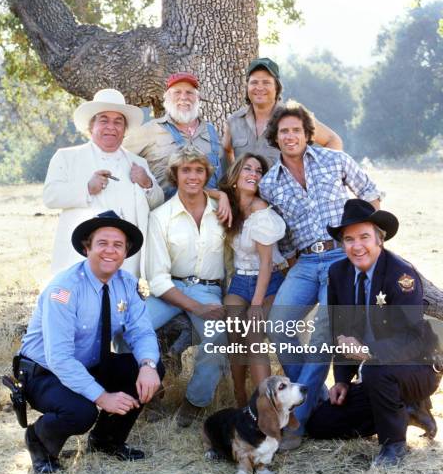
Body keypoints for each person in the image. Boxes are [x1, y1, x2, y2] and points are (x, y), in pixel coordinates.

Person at [259, 100, 382, 450]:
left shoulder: (334, 160)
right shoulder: (270, 184)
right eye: (283, 131)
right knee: (278, 325)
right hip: (305, 263)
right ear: (276, 137)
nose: (290, 136)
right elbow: (275, 230)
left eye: (296, 130)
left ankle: (296, 423)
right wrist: (289, 259)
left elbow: (372, 194)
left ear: (307, 133)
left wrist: (359, 241)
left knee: (322, 335)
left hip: (339, 257)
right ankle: (312, 398)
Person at [17, 211, 164, 474]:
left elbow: (141, 332)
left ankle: (106, 441)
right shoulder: (64, 289)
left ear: (126, 252)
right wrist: (102, 397)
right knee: (82, 411)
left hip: (87, 364)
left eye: (118, 245)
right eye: (102, 243)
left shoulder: (128, 285)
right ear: (87, 248)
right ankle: (39, 441)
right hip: (44, 372)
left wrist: (148, 365)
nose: (110, 251)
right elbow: (59, 358)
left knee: (147, 369)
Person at [306, 199, 441, 467]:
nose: (357, 246)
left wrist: (369, 353)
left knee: (376, 371)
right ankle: (408, 410)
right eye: (349, 239)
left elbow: (414, 339)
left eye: (364, 237)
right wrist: (343, 379)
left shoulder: (401, 275)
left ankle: (394, 444)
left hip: (417, 368)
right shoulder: (338, 273)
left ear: (380, 239)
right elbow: (340, 329)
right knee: (321, 424)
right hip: (377, 374)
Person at [145, 146, 227, 427]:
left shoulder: (222, 211)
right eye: (186, 170)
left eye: (199, 170)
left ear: (207, 175)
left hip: (209, 288)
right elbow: (156, 278)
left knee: (218, 338)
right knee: (129, 327)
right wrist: (196, 308)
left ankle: (194, 402)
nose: (192, 176)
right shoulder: (160, 216)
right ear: (175, 174)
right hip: (169, 290)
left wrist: (224, 196)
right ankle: (151, 393)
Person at [43, 88, 163, 276]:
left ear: (125, 130)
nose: (111, 127)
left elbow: (157, 202)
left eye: (118, 122)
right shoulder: (67, 157)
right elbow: (50, 197)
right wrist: (87, 189)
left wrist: (146, 182)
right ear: (91, 127)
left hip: (126, 257)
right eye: (104, 120)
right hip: (81, 252)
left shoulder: (138, 163)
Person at [219, 152, 287, 406]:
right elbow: (204, 190)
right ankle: (240, 398)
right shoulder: (232, 205)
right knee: (234, 331)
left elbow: (267, 263)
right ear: (236, 176)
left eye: (259, 171)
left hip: (268, 282)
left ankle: (265, 405)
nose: (254, 174)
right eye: (247, 169)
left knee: (254, 332)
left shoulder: (261, 211)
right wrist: (223, 195)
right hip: (240, 281)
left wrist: (257, 304)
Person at [223, 57, 343, 167]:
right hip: (247, 190)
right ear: (247, 87)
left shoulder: (295, 117)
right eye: (254, 82)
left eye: (266, 82)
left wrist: (320, 176)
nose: (259, 87)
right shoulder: (234, 121)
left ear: (277, 87)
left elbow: (333, 140)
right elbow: (226, 150)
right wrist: (230, 182)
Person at [123, 72, 225, 200]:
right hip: (166, 214)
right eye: (177, 92)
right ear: (167, 98)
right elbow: (118, 157)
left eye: (189, 92)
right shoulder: (151, 130)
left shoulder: (211, 132)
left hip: (211, 214)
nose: (183, 97)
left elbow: (224, 176)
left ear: (197, 98)